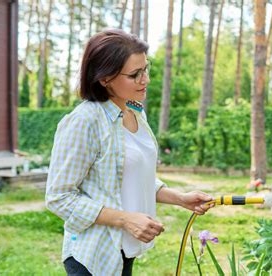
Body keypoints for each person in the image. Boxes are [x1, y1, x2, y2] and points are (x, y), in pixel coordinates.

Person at [45, 29, 214, 276]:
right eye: (135, 74)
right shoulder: (85, 121)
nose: (145, 80)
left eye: (146, 69)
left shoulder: (135, 111)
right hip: (94, 256)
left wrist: (180, 198)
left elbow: (126, 175)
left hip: (123, 250)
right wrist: (125, 219)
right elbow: (59, 196)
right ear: (105, 79)